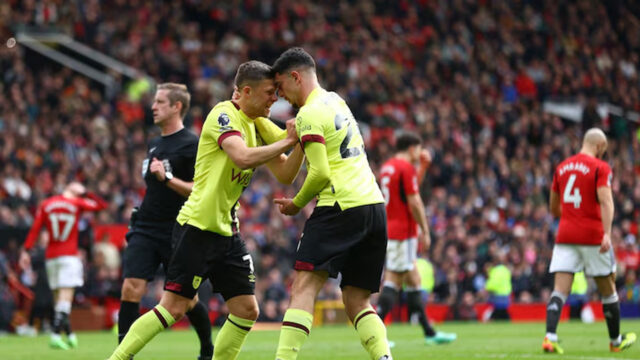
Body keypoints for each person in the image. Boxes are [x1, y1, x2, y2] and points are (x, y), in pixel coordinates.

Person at [108, 60, 303, 360]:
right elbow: (241, 158)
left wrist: (300, 142)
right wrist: (289, 139)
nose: (274, 99)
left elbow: (286, 174)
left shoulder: (258, 123)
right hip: (197, 227)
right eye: (269, 92)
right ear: (245, 92)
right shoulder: (223, 114)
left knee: (246, 310)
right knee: (173, 308)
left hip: (227, 231)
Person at [271, 47, 392, 360]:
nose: (282, 96)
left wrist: (297, 204)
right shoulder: (336, 100)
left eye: (282, 87)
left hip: (341, 205)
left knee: (303, 288)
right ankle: (384, 357)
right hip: (374, 205)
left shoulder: (309, 113)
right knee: (356, 302)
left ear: (295, 77)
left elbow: (321, 173)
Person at [116, 83, 214, 360]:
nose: (153, 107)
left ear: (176, 106)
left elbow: (200, 188)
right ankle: (124, 353)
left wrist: (168, 179)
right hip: (145, 226)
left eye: (159, 102)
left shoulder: (192, 144)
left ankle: (207, 349)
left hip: (177, 230)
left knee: (187, 301)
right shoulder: (154, 143)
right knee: (131, 287)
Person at [543, 128, 636, 354]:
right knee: (608, 290)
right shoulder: (600, 167)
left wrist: (570, 216)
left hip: (565, 235)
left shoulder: (562, 167)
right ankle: (615, 342)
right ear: (600, 146)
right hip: (592, 236)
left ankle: (550, 337)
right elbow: (606, 201)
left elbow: (554, 207)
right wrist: (606, 232)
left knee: (560, 290)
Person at [376, 132, 456, 345]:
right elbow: (415, 201)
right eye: (419, 149)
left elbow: (407, 190)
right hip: (403, 232)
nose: (420, 153)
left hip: (393, 228)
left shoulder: (389, 167)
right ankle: (376, 334)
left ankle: (429, 332)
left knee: (414, 281)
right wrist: (426, 230)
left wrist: (423, 169)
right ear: (412, 149)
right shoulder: (405, 167)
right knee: (393, 280)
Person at [21, 182, 108, 349]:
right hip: (68, 256)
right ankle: (55, 335)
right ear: (73, 189)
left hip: (51, 258)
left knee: (58, 300)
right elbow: (101, 206)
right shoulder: (76, 203)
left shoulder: (46, 204)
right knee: (65, 298)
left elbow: (35, 229)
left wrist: (26, 250)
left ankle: (69, 335)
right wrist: (87, 193)